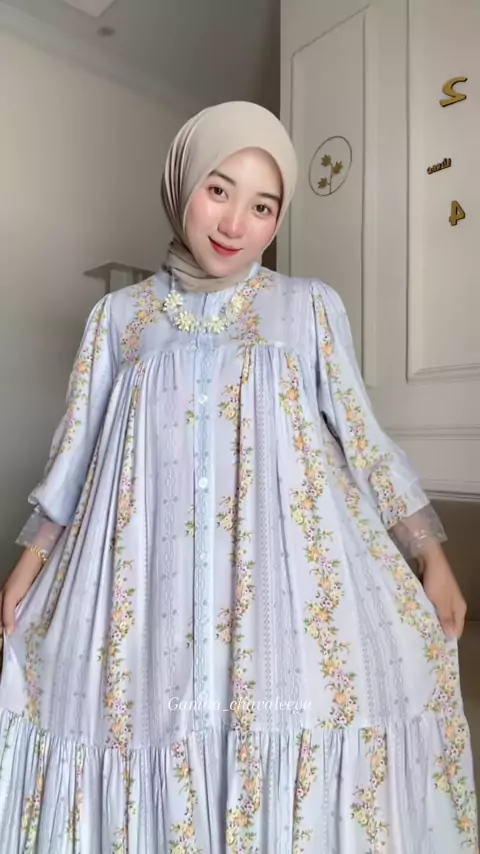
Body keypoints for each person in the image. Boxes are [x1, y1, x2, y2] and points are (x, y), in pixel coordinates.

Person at [0, 101, 476, 853]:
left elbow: (362, 437)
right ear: (181, 185)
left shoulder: (306, 307)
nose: (235, 223)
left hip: (280, 588)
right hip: (149, 590)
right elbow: (77, 454)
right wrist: (28, 567)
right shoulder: (119, 319)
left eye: (263, 206)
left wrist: (432, 558)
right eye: (218, 190)